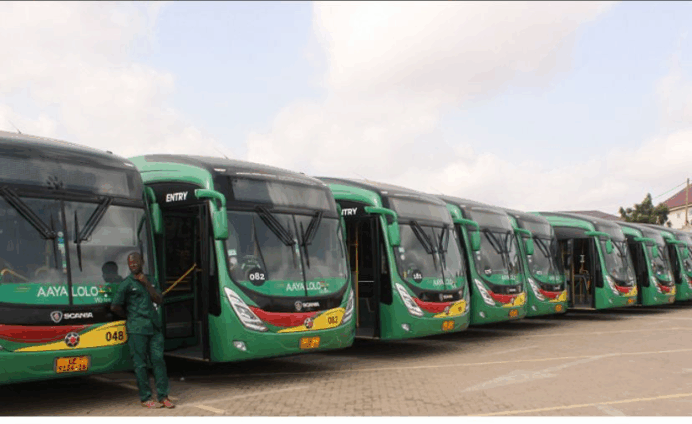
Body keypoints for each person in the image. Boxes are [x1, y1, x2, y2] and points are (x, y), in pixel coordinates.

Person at [111, 252, 175, 409]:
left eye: (135, 262)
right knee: (140, 364)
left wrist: (147, 284)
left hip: (154, 327)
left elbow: (159, 299)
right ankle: (146, 398)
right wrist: (130, 317)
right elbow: (115, 306)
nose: (133, 265)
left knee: (158, 360)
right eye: (130, 263)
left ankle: (163, 396)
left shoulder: (151, 280)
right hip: (137, 329)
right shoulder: (126, 284)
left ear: (142, 262)